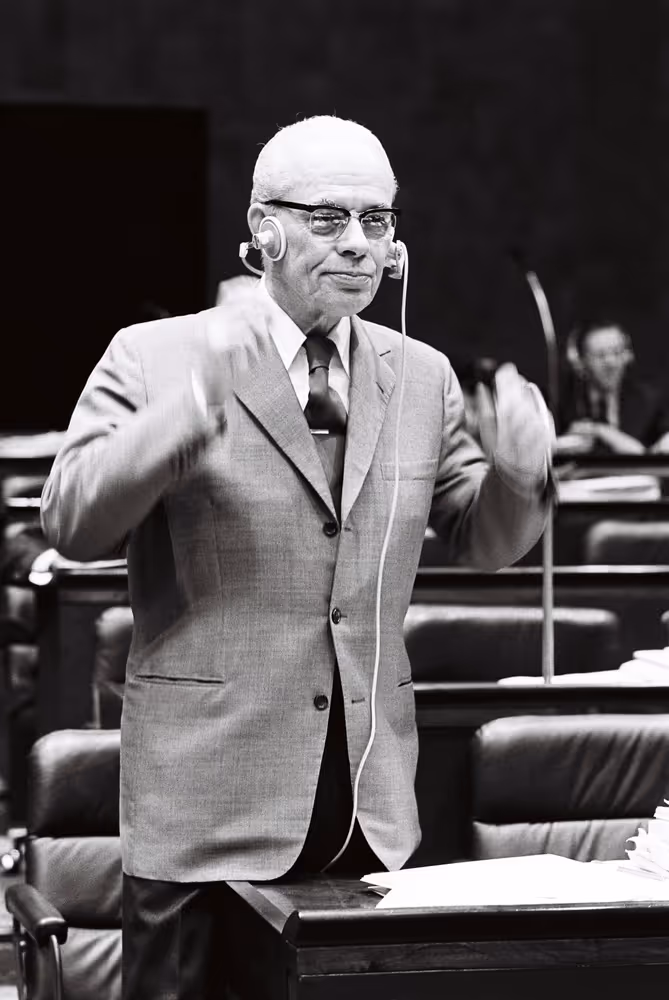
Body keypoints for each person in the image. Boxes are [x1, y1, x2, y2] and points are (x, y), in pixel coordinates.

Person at [41, 115, 553, 999]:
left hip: (366, 801)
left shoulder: (420, 374)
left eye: (377, 221)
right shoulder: (156, 355)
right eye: (328, 219)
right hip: (205, 799)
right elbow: (72, 522)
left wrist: (518, 471)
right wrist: (185, 412)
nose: (358, 245)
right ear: (264, 230)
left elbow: (485, 541)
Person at [557, 321, 669, 454]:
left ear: (628, 356)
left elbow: (643, 453)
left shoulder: (650, 401)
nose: (611, 363)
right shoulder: (561, 402)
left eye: (617, 353)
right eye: (600, 355)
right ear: (580, 361)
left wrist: (599, 430)